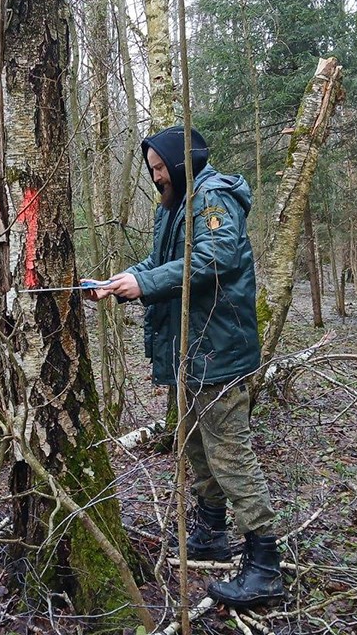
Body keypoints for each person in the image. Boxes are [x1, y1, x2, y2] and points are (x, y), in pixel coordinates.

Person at [85, 125, 283, 609]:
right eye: (150, 170)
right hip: (189, 350)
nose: (155, 177)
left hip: (217, 348)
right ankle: (212, 531)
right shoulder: (173, 207)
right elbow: (160, 261)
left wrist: (147, 284)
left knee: (228, 451)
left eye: (159, 168)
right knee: (195, 443)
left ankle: (265, 564)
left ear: (180, 162)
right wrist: (126, 279)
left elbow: (216, 259)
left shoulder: (211, 197)